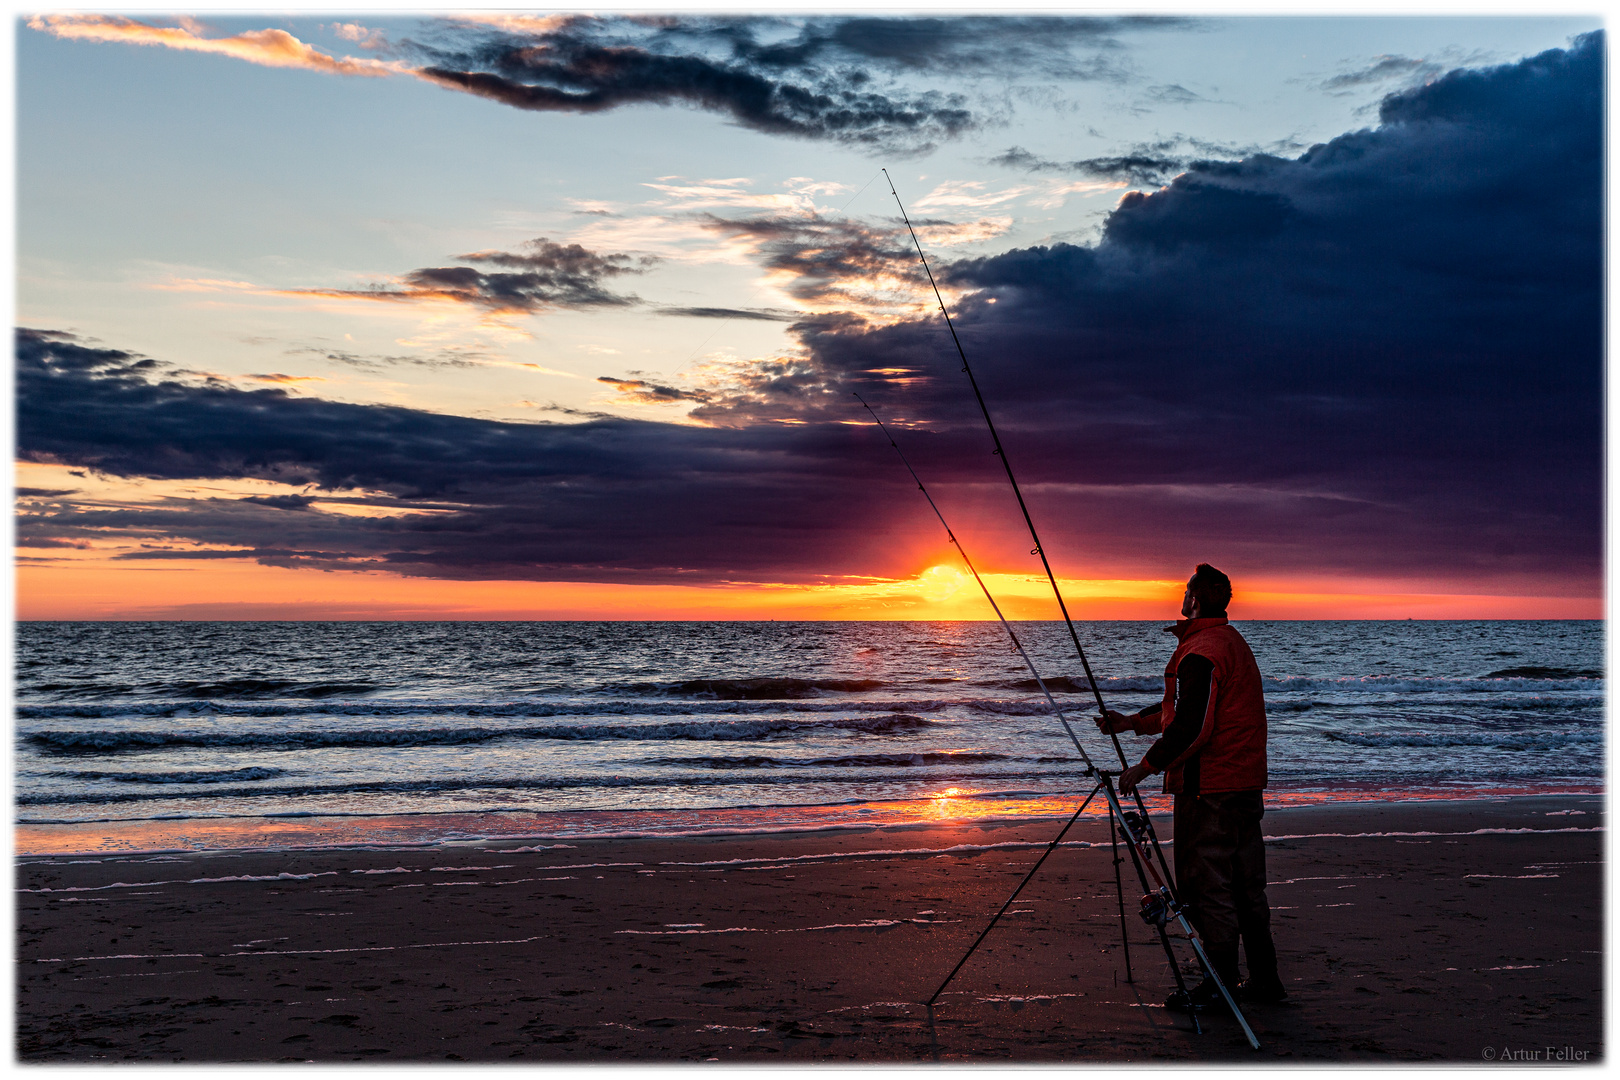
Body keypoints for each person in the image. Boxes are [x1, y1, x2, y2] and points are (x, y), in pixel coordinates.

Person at [1096, 563, 1286, 1010]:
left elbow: (1193, 726)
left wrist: (1144, 767)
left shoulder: (1201, 650)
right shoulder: (1229, 642)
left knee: (1207, 887)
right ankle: (1265, 981)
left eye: (1186, 590)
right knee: (1246, 886)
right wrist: (1132, 724)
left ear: (1195, 600)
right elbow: (1184, 709)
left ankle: (1220, 987)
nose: (1182, 596)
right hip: (1242, 784)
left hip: (1209, 790)